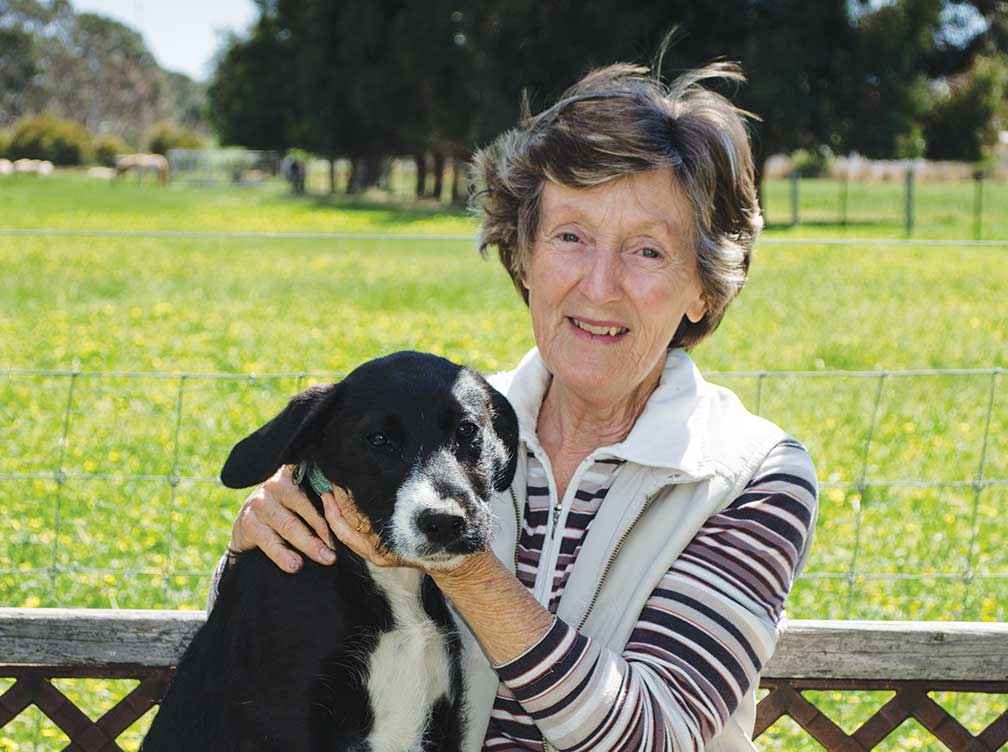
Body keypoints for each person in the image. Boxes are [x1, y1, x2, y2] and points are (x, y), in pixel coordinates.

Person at [214, 61, 818, 751]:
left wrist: (463, 564)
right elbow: (273, 667)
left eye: (647, 250)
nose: (599, 286)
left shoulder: (750, 475)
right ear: (524, 256)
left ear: (703, 289)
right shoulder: (438, 430)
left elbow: (658, 735)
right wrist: (263, 540)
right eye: (570, 237)